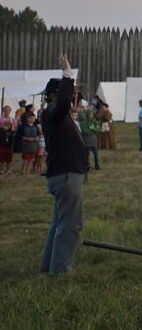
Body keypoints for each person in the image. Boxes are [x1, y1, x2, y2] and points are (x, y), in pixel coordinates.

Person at [42, 53, 87, 275]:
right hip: (67, 175)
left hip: (65, 173)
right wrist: (68, 74)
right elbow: (62, 104)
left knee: (59, 222)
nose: (72, 98)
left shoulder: (58, 116)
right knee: (70, 225)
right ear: (55, 96)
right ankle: (60, 271)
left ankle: (49, 266)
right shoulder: (53, 112)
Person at [76, 100, 101, 171]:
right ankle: (87, 166)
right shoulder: (83, 122)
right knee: (86, 156)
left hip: (94, 141)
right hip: (86, 141)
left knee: (96, 155)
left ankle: (97, 166)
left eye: (92, 114)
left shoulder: (94, 121)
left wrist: (93, 129)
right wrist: (92, 130)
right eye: (90, 115)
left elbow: (98, 130)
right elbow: (84, 131)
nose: (91, 116)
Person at [0, 105, 16, 174]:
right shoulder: (1, 119)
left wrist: (11, 127)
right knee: (2, 154)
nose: (7, 112)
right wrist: (3, 127)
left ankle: (8, 169)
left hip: (10, 138)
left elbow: (14, 128)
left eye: (8, 110)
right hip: (2, 138)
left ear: (10, 111)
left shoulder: (13, 119)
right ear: (3, 111)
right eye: (5, 110)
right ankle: (2, 169)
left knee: (9, 154)